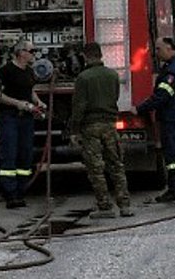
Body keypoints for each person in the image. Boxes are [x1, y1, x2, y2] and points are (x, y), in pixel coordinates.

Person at [70, 42, 134, 219]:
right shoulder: (113, 75)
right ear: (100, 55)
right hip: (110, 125)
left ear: (85, 56)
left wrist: (74, 129)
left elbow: (80, 106)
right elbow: (115, 97)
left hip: (91, 127)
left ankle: (105, 206)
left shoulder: (83, 78)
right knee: (116, 165)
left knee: (96, 168)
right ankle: (125, 205)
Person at [134, 36, 175, 203]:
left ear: (169, 48)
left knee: (173, 156)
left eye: (159, 49)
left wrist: (140, 108)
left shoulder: (173, 69)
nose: (157, 53)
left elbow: (162, 96)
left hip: (172, 118)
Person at [0, 39, 46, 209]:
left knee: (25, 155)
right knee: (9, 153)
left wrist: (38, 102)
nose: (33, 54)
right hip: (9, 117)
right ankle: (10, 193)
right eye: (31, 51)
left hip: (26, 120)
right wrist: (18, 104)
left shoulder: (29, 71)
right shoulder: (5, 71)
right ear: (21, 52)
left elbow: (30, 90)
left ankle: (21, 191)